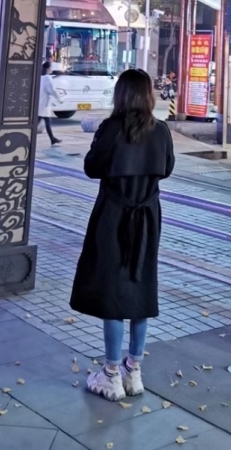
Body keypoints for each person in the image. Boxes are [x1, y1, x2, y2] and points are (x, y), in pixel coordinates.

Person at [71, 68, 175, 402]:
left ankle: (111, 373)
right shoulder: (161, 131)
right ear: (148, 95)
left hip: (113, 216)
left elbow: (91, 167)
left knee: (113, 291)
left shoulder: (110, 129)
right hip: (147, 217)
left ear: (120, 95)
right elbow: (167, 168)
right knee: (141, 287)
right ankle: (135, 370)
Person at [39, 60, 61, 146]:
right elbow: (52, 90)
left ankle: (52, 139)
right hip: (44, 104)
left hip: (42, 103)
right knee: (41, 121)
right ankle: (52, 139)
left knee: (46, 121)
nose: (52, 69)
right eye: (51, 67)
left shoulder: (41, 77)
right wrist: (59, 99)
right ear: (48, 68)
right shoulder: (47, 78)